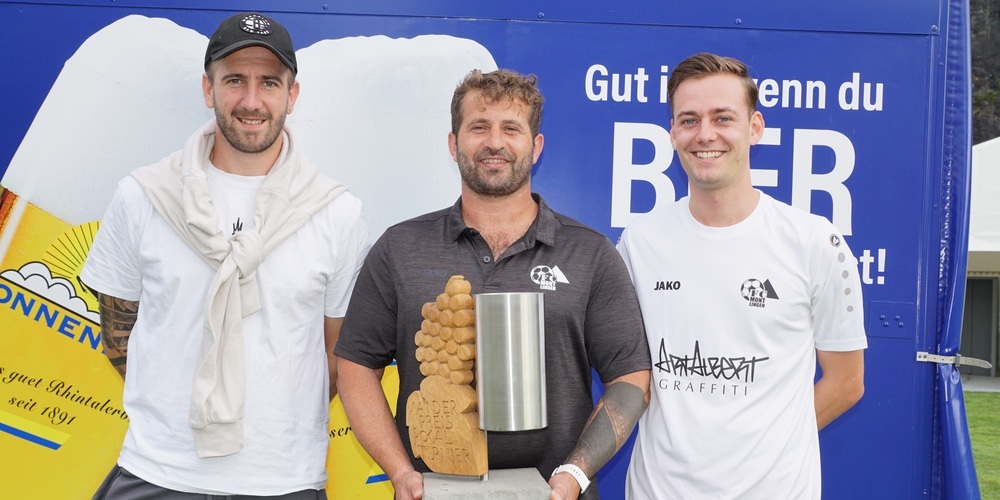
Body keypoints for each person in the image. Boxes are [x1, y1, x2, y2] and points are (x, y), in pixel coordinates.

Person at [80, 11, 370, 498]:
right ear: (207, 88)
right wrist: (175, 399)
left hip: (285, 481)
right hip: (160, 472)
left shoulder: (336, 212)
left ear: (292, 95)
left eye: (269, 83)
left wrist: (273, 423)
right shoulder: (145, 195)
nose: (251, 101)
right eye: (234, 80)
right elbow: (118, 332)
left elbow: (337, 353)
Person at [335, 68, 651, 500]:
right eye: (479, 127)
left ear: (536, 147)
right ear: (453, 144)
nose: (495, 142)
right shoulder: (400, 248)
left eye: (511, 129)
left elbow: (631, 378)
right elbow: (356, 367)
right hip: (434, 492)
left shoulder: (590, 253)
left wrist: (574, 474)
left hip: (555, 494)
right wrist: (401, 471)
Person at [617, 52, 867, 499]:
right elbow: (628, 374)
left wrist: (768, 448)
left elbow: (846, 383)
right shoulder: (640, 241)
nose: (705, 134)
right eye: (689, 120)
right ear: (672, 132)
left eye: (723, 117)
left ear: (755, 127)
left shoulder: (814, 241)